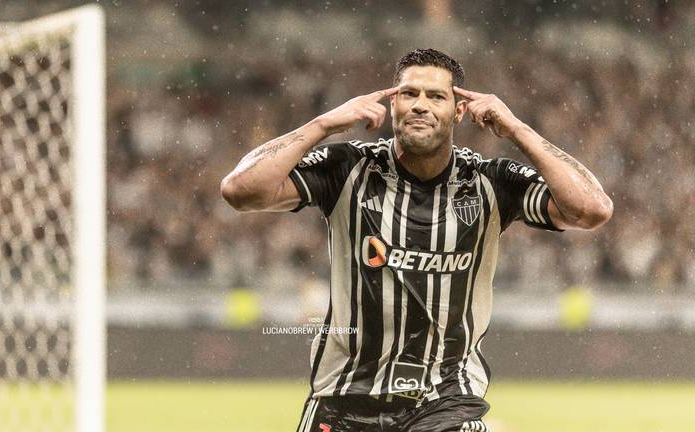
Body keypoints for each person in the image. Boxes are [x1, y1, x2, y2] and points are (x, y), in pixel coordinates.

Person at [221, 48, 612, 432]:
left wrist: (517, 130)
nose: (420, 105)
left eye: (436, 96)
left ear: (459, 111)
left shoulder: (489, 181)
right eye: (409, 93)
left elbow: (591, 209)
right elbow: (240, 191)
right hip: (343, 397)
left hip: (443, 400)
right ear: (393, 104)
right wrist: (323, 124)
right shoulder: (349, 169)